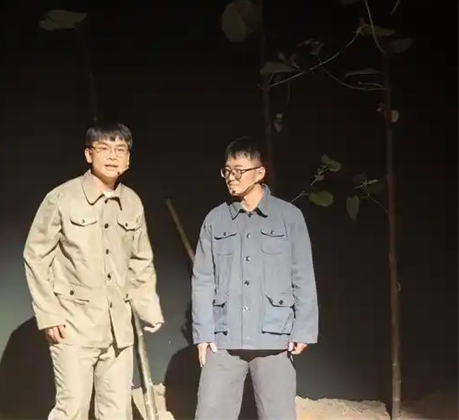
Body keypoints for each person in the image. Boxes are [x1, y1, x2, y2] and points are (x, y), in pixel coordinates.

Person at [23, 122, 164, 420]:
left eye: (120, 150)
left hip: (118, 329)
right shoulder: (61, 199)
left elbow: (140, 259)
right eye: (104, 148)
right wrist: (49, 313)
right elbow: (35, 256)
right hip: (74, 326)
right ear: (89, 155)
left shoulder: (132, 202)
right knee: (72, 408)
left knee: (117, 410)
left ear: (128, 159)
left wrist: (147, 306)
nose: (112, 156)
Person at [191, 136, 319, 420]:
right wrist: (203, 333)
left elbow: (302, 275)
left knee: (278, 415)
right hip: (224, 338)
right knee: (210, 413)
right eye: (227, 170)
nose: (231, 177)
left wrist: (304, 329)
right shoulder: (215, 220)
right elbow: (202, 280)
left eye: (239, 170)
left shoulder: (289, 217)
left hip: (274, 336)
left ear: (260, 173)